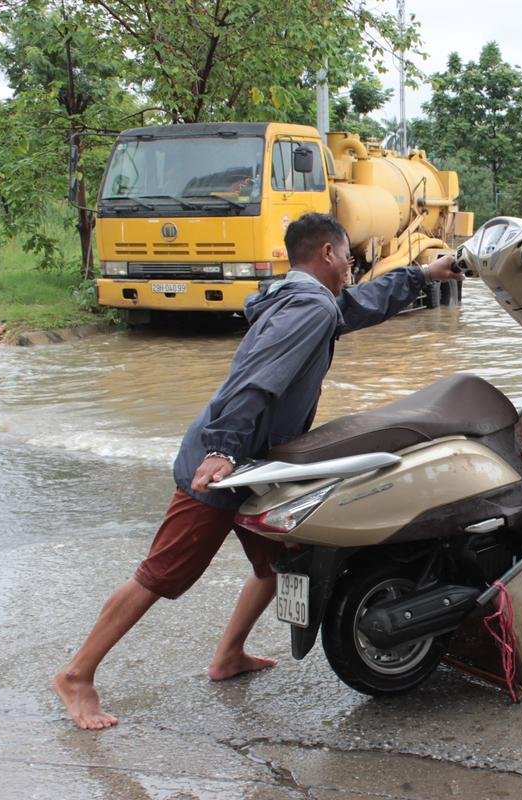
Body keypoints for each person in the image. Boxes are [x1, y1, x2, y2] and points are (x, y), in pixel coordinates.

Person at [54, 213, 463, 729]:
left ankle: (229, 656)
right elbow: (255, 375)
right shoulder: (310, 307)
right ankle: (77, 675)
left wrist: (426, 275)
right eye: (348, 257)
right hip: (225, 467)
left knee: (279, 565)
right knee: (160, 575)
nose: (351, 267)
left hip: (256, 464)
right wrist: (223, 450)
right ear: (329, 255)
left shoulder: (300, 298)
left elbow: (358, 306)